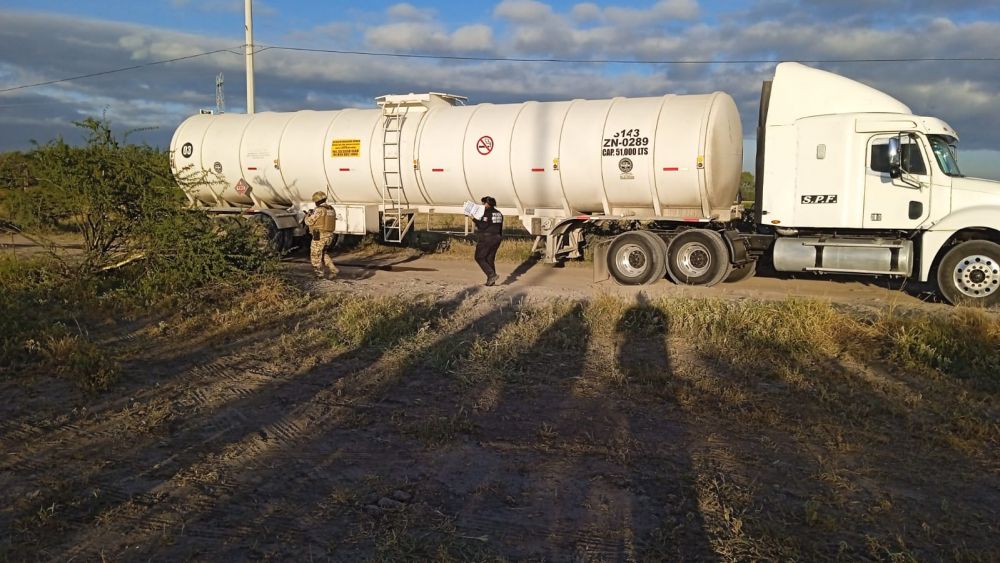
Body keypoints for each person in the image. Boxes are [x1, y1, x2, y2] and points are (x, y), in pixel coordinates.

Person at [304, 191, 339, 279]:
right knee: (323, 253)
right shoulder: (331, 209)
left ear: (317, 201)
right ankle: (333, 269)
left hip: (320, 235)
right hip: (330, 235)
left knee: (315, 254)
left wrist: (307, 215)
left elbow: (309, 222)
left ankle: (319, 274)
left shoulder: (319, 210)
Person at [472, 196, 503, 286]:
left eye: (484, 203)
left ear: (487, 204)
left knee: (479, 257)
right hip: (497, 238)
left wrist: (473, 219)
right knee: (490, 259)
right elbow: (500, 227)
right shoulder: (499, 213)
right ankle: (491, 280)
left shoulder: (486, 213)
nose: (483, 205)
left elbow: (482, 226)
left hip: (487, 238)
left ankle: (491, 275)